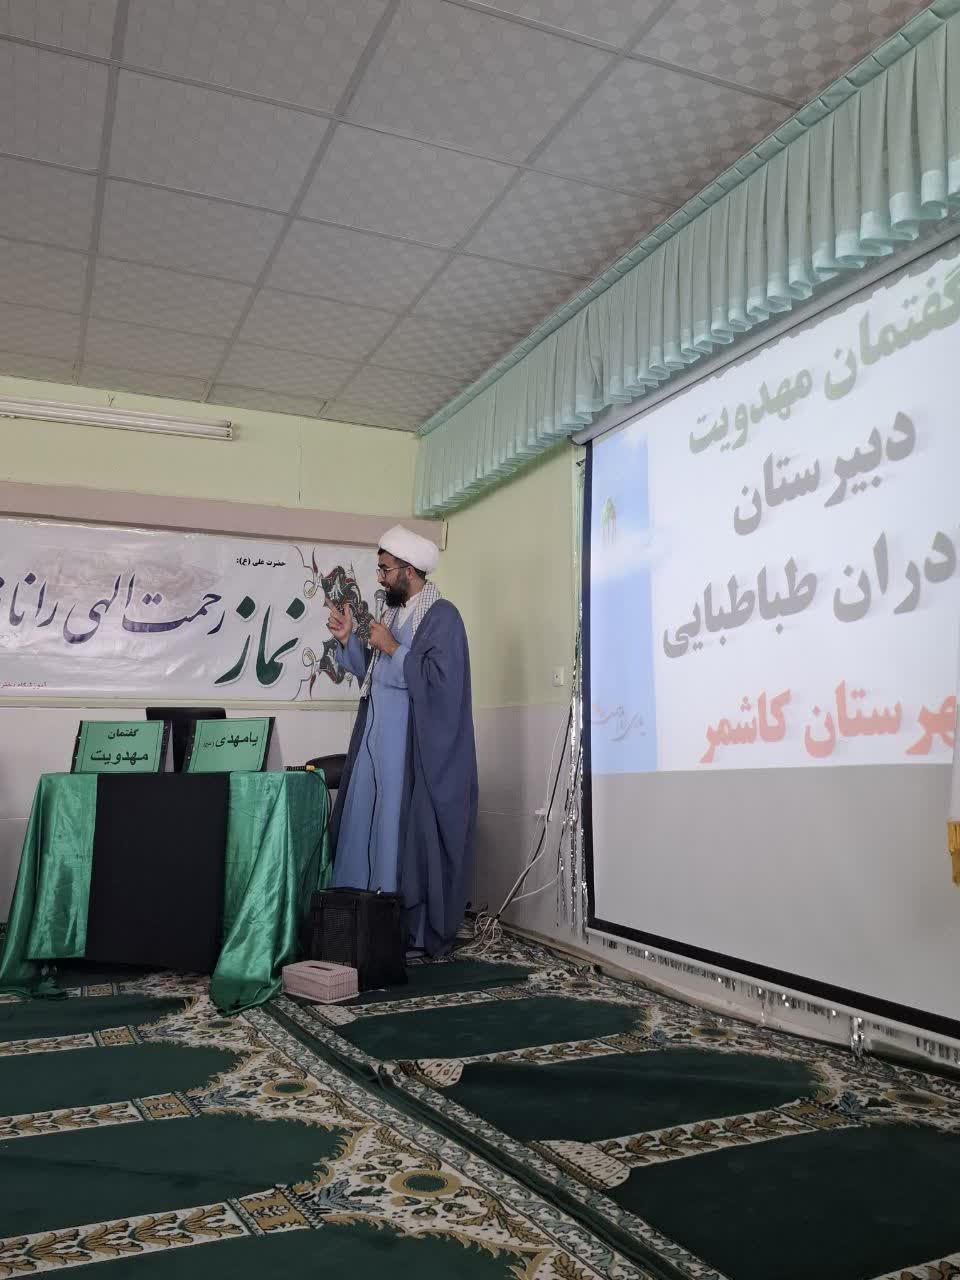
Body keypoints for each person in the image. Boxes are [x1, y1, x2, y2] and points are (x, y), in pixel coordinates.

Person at [326, 525, 477, 955]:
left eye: (385, 570)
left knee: (397, 835)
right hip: (374, 747)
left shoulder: (443, 617)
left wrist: (394, 647)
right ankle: (352, 919)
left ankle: (395, 927)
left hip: (408, 751)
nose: (380, 578)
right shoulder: (393, 614)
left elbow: (442, 684)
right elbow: (375, 676)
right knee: (362, 826)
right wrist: (348, 642)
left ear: (409, 571)